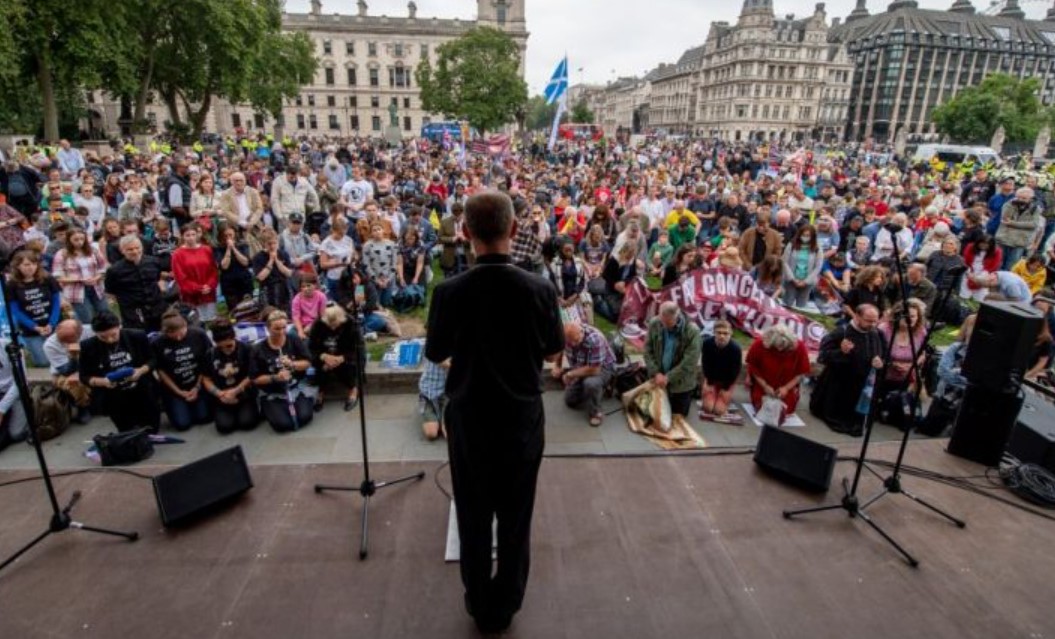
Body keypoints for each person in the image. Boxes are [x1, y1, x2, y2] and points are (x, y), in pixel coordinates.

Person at [424, 191, 564, 634]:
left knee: (473, 513)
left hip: (470, 422)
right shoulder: (540, 288)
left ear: (464, 234)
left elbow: (437, 350)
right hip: (522, 421)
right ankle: (506, 606)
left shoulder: (449, 292)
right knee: (516, 517)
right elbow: (555, 347)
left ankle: (478, 603)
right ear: (515, 230)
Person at [79, 311, 160, 433]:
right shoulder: (88, 346)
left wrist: (140, 371)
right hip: (114, 396)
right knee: (127, 431)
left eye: (113, 335)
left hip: (142, 389)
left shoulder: (137, 336)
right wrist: (101, 381)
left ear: (119, 326)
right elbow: (84, 375)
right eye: (103, 337)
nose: (110, 340)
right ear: (96, 333)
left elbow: (153, 359)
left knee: (151, 430)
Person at [810, 304, 886, 435]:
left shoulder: (877, 333)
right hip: (838, 386)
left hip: (861, 387)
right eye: (868, 320)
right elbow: (823, 356)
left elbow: (884, 355)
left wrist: (880, 362)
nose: (873, 324)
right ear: (857, 317)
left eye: (875, 321)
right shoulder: (841, 332)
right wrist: (841, 352)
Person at [250, 310, 315, 432]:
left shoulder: (293, 339)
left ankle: (305, 400)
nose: (281, 332)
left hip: (295, 386)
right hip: (273, 391)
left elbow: (307, 362)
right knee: (283, 425)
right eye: (277, 329)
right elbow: (255, 379)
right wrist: (275, 377)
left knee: (305, 417)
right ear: (268, 328)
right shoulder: (257, 349)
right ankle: (267, 407)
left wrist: (292, 364)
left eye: (284, 327)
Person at [152, 310, 213, 432]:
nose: (179, 339)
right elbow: (161, 371)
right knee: (182, 424)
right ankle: (178, 406)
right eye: (174, 336)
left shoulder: (198, 334)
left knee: (204, 417)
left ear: (185, 325)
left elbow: (205, 363)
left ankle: (196, 404)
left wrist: (197, 387)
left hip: (198, 382)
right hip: (175, 387)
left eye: (181, 334)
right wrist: (179, 392)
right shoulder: (158, 343)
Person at [643, 301, 702, 417]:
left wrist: (668, 378)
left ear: (677, 317)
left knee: (678, 417)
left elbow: (690, 362)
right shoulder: (655, 323)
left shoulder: (692, 331)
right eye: (662, 321)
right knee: (652, 415)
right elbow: (647, 349)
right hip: (658, 378)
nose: (664, 325)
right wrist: (656, 373)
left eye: (668, 323)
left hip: (681, 384)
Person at [745, 324, 811, 426]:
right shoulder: (759, 344)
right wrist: (765, 386)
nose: (780, 350)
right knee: (762, 408)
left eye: (784, 347)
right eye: (777, 347)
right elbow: (753, 368)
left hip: (787, 384)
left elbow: (801, 373)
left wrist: (786, 388)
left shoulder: (799, 347)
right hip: (763, 383)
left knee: (783, 413)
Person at [202, 320, 259, 434]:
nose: (227, 350)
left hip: (244, 392)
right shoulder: (210, 354)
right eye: (221, 347)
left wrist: (235, 391)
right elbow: (206, 378)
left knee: (247, 423)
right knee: (224, 427)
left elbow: (252, 374)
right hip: (222, 395)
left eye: (229, 345)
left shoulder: (246, 349)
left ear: (234, 338)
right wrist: (219, 393)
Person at [553, 321, 615, 427]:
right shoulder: (565, 337)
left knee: (590, 383)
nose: (573, 344)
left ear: (581, 332)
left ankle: (595, 413)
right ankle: (595, 392)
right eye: (570, 342)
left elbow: (595, 369)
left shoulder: (595, 338)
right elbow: (559, 349)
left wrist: (571, 374)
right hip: (581, 366)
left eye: (576, 340)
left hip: (602, 368)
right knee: (570, 400)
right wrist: (557, 366)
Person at [6, 250, 62, 367]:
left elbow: (56, 302)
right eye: (26, 265)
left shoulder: (48, 279)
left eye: (33, 264)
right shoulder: (12, 285)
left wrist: (51, 323)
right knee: (43, 362)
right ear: (18, 266)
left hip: (51, 323)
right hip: (30, 329)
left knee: (59, 357)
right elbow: (15, 310)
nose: (30, 268)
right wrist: (34, 327)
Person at [104, 235, 166, 332]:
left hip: (157, 308)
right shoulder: (114, 270)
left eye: (137, 248)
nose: (135, 252)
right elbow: (111, 292)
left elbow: (157, 279)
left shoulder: (153, 262)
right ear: (122, 250)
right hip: (133, 313)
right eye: (130, 249)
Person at [308, 304, 362, 411]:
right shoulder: (318, 324)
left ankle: (353, 389)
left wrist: (342, 358)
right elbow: (312, 346)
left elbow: (357, 347)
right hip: (324, 353)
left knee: (343, 366)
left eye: (335, 325)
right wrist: (323, 356)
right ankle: (321, 391)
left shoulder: (350, 323)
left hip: (344, 354)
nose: (332, 328)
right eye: (330, 325)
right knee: (323, 366)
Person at [50, 227, 108, 324]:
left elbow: (103, 267)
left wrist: (97, 277)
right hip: (76, 291)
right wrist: (79, 279)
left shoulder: (93, 250)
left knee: (105, 315)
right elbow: (57, 276)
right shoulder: (62, 254)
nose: (80, 242)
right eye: (76, 240)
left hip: (96, 287)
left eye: (82, 239)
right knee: (86, 319)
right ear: (69, 240)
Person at [171, 222, 218, 322]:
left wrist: (209, 285)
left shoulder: (206, 249)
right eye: (187, 235)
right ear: (182, 236)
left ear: (197, 234)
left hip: (208, 293)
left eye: (193, 234)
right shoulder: (178, 254)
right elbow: (181, 278)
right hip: (191, 296)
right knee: (197, 322)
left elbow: (213, 270)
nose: (191, 238)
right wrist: (198, 288)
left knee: (212, 321)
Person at [698, 320, 743, 423]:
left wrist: (726, 388)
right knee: (708, 409)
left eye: (725, 333)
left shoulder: (735, 349)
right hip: (711, 378)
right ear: (714, 333)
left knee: (719, 411)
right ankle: (713, 394)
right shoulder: (707, 343)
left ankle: (721, 397)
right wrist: (708, 382)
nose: (722, 336)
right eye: (719, 333)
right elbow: (705, 364)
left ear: (730, 334)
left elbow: (735, 371)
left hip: (727, 380)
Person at [781, 224, 823, 309]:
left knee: (801, 306)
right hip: (791, 279)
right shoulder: (791, 244)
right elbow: (784, 262)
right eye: (803, 235)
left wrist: (806, 281)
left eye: (808, 236)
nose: (805, 237)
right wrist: (793, 279)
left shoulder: (817, 248)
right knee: (787, 304)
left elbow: (818, 266)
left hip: (807, 281)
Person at [252, 229, 294, 312]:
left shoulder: (283, 254)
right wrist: (271, 261)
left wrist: (277, 261)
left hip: (283, 289)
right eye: (269, 244)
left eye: (274, 243)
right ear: (263, 244)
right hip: (267, 290)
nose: (272, 246)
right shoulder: (258, 257)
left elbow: (289, 273)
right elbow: (260, 277)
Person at [214, 223, 255, 309]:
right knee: (234, 309)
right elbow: (224, 266)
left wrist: (234, 249)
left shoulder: (243, 245)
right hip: (229, 283)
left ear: (235, 234)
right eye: (225, 236)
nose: (228, 238)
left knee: (248, 308)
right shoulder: (218, 248)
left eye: (230, 235)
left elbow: (246, 262)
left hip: (244, 281)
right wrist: (228, 249)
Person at [318, 217, 356, 299]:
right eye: (339, 233)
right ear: (333, 230)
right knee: (335, 300)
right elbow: (322, 264)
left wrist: (354, 258)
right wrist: (338, 263)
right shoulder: (326, 243)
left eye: (344, 233)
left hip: (349, 274)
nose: (342, 236)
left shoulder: (348, 239)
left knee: (353, 297)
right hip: (334, 277)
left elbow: (353, 254)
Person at [418, 358, 449, 440]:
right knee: (431, 434)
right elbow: (442, 362)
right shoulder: (432, 347)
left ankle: (441, 418)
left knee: (448, 435)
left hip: (448, 394)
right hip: (428, 392)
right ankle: (438, 417)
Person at [291, 273, 328, 338]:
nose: (306, 289)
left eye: (308, 286)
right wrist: (300, 331)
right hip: (301, 325)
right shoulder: (296, 299)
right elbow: (296, 317)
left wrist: (312, 326)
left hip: (317, 323)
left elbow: (322, 315)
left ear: (315, 285)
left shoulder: (321, 296)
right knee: (291, 334)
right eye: (303, 286)